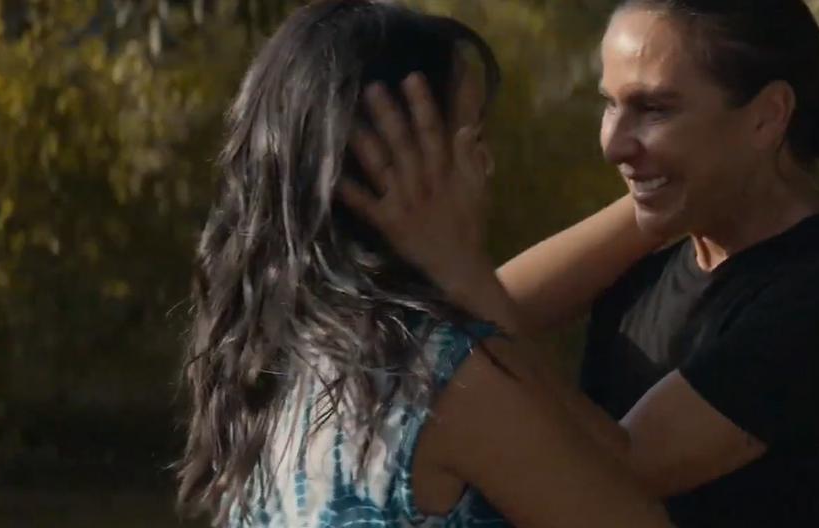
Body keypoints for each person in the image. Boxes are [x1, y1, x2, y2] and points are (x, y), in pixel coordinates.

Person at [342, 0, 819, 527]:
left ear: (767, 115)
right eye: (610, 104)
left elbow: (616, 466)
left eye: (654, 108)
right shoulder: (646, 269)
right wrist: (660, 197)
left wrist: (456, 261)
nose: (612, 143)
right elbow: (460, 321)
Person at [175, 1, 670, 527]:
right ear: (397, 162)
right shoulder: (444, 381)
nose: (487, 163)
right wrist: (466, 271)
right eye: (473, 137)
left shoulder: (266, 359)